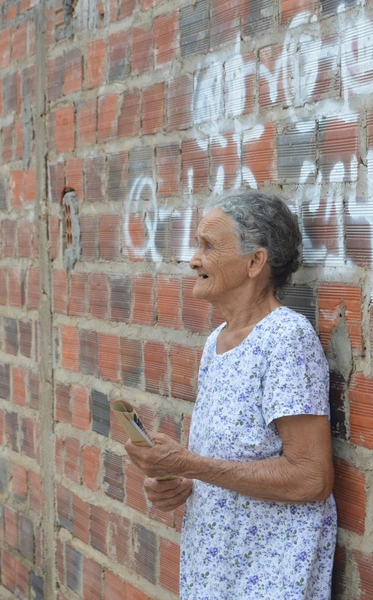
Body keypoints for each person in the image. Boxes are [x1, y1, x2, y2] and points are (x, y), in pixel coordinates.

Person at [125, 192, 336, 599]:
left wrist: (193, 464)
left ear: (255, 262)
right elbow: (222, 465)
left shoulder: (287, 339)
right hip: (214, 573)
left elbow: (312, 478)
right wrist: (180, 480)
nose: (194, 259)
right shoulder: (216, 343)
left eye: (208, 246)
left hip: (271, 579)